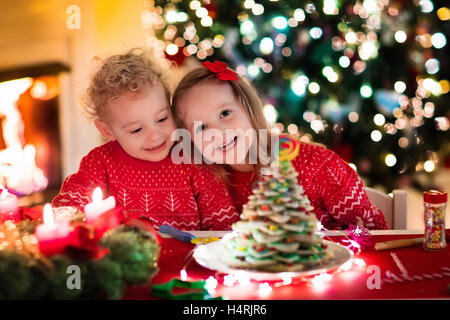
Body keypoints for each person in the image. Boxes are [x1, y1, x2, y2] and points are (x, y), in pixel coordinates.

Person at [172, 60, 389, 230]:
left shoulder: (317, 166)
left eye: (225, 113)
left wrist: (343, 243)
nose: (219, 132)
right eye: (201, 127)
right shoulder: (203, 183)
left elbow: (372, 232)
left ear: (249, 109)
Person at [52, 51, 239, 231]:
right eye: (136, 129)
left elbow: (223, 222)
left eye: (162, 119)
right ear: (107, 131)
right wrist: (65, 217)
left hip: (187, 260)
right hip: (126, 260)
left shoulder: (192, 158)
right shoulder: (100, 162)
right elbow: (71, 201)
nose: (154, 135)